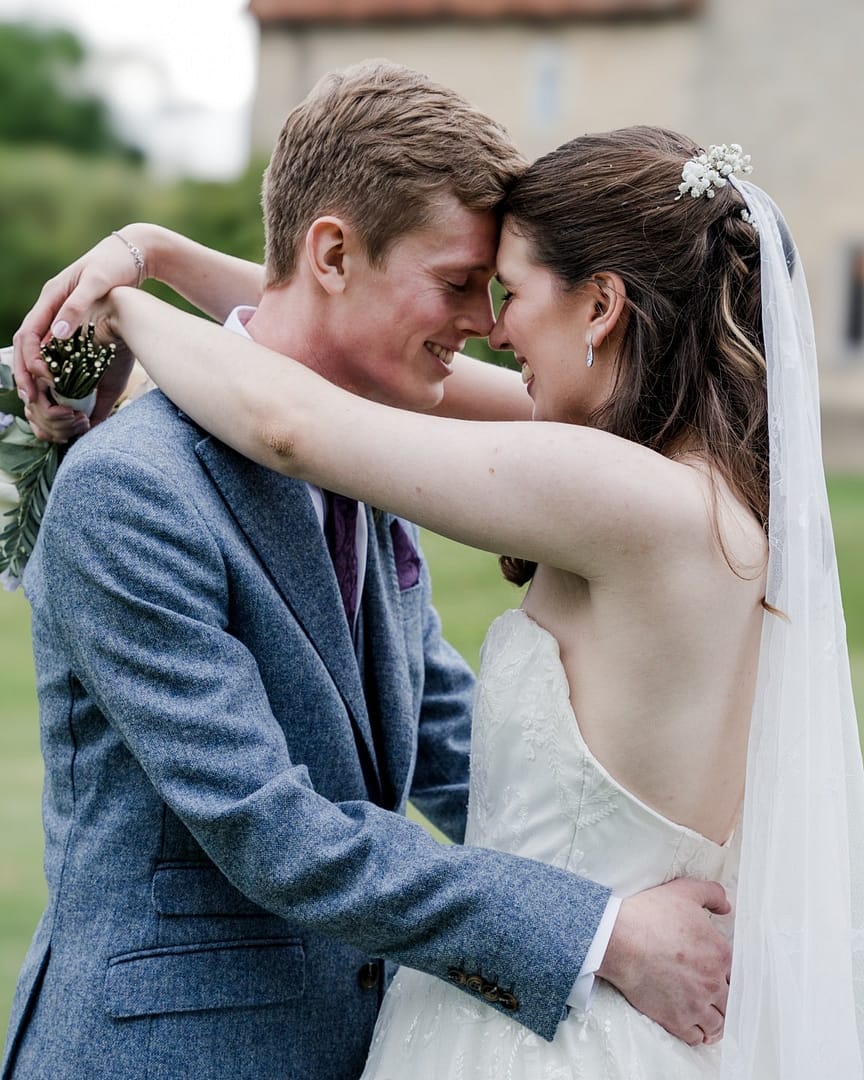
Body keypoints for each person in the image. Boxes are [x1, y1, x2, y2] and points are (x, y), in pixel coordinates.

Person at [26, 123, 864, 1078]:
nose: (490, 331)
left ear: (601, 307)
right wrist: (160, 255)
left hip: (574, 1023)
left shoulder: (618, 489)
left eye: (505, 291)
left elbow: (291, 420)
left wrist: (122, 304)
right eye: (464, 284)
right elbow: (344, 349)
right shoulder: (702, 478)